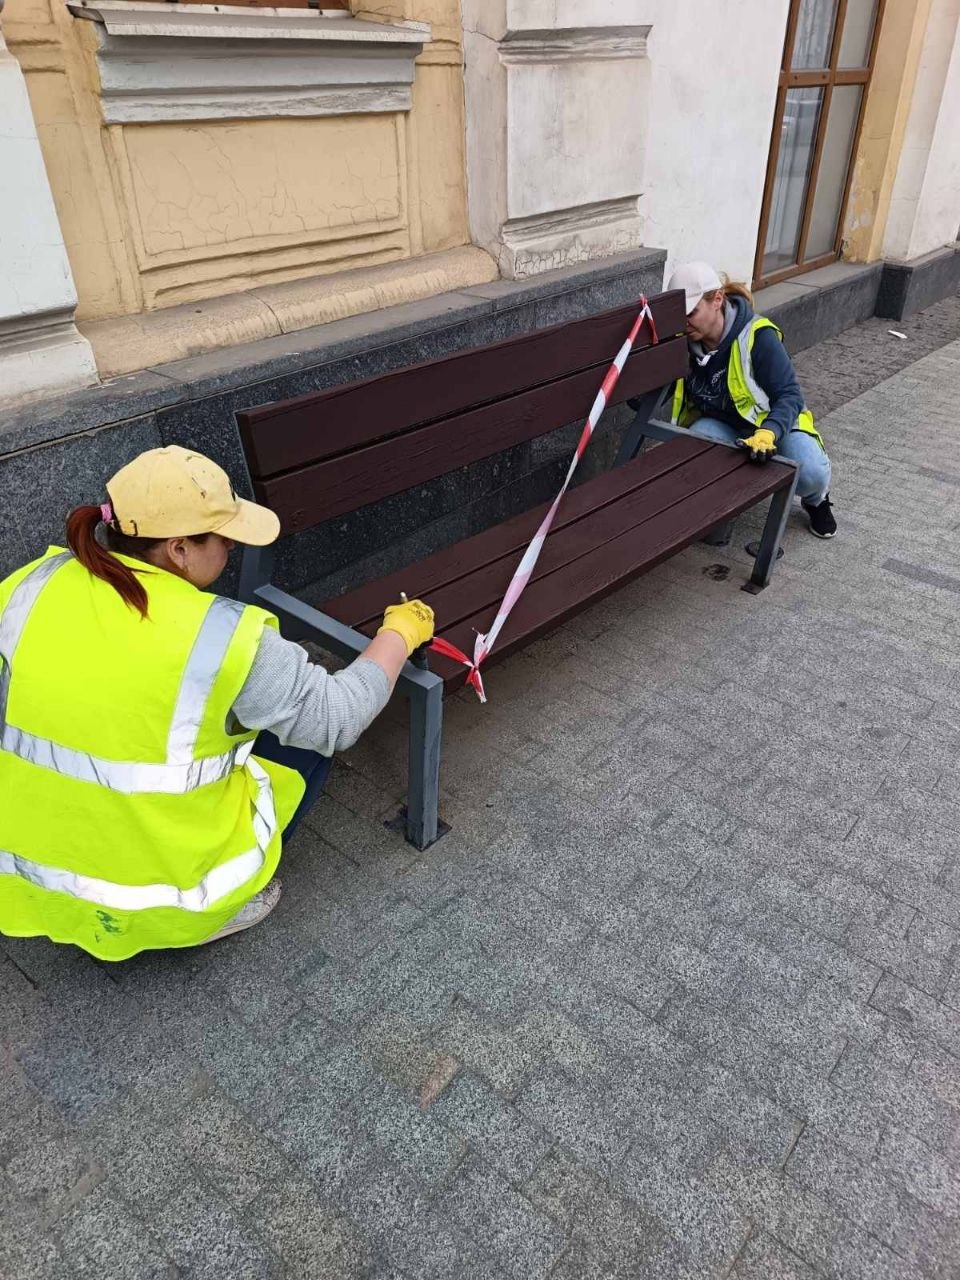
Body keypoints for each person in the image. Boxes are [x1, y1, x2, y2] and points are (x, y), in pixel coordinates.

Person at [0, 446, 435, 960]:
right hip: (163, 897)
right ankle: (223, 907)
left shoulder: (28, 587)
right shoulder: (222, 640)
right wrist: (397, 635)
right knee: (309, 743)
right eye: (223, 537)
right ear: (179, 549)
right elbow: (336, 718)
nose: (230, 547)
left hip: (35, 871)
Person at [665, 261, 836, 539]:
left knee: (810, 473)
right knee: (693, 457)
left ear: (717, 299)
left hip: (773, 426)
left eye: (691, 313)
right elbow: (658, 393)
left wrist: (769, 432)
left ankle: (817, 500)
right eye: (678, 315)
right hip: (724, 426)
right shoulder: (682, 342)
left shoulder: (758, 336)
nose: (683, 322)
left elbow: (790, 396)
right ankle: (719, 510)